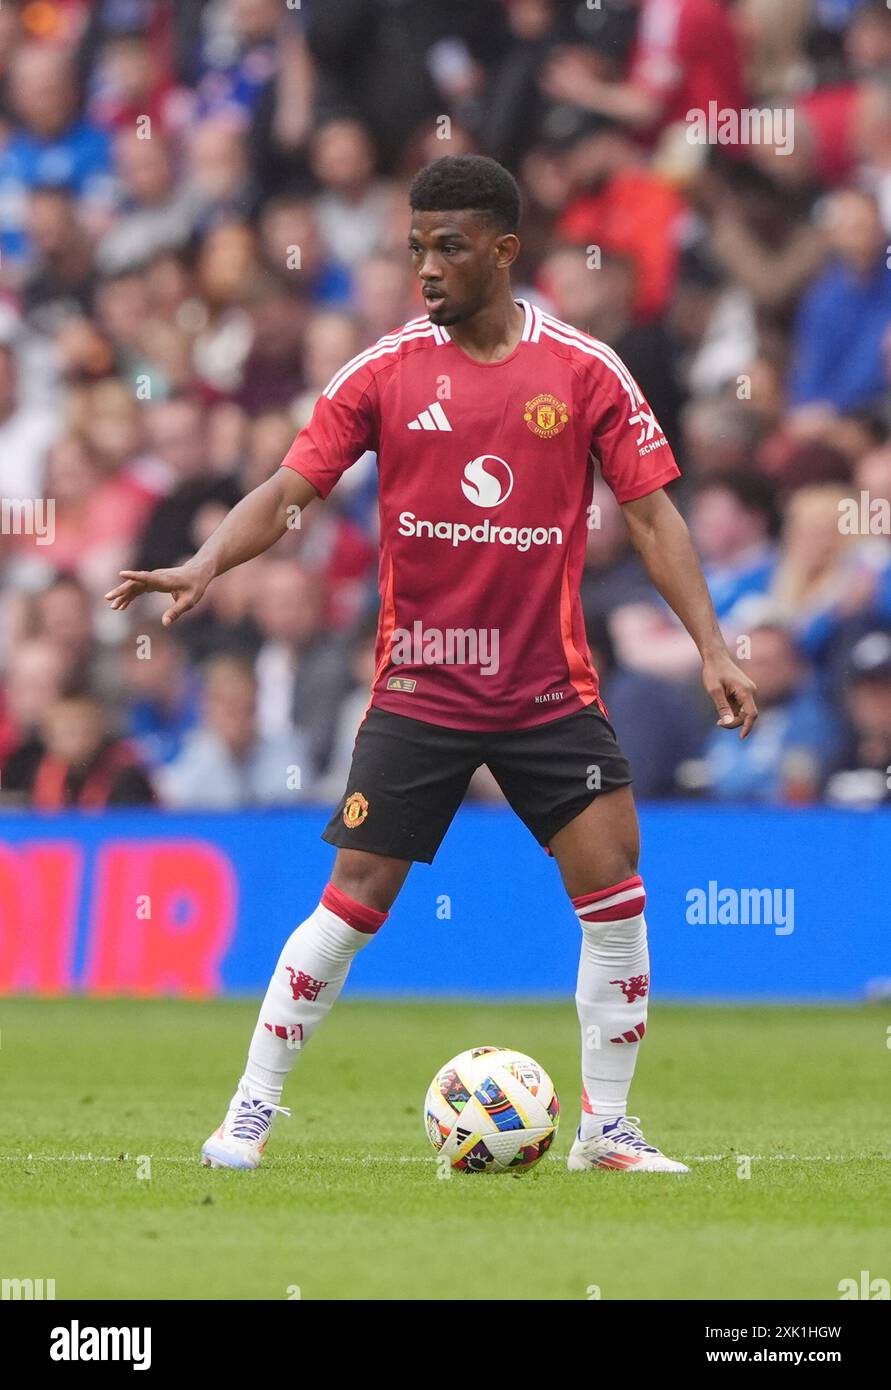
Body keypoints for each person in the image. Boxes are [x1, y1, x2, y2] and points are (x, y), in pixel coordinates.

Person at [106, 154, 757, 1175]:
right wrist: (207, 560)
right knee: (354, 895)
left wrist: (713, 646)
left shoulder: (586, 371)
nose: (426, 268)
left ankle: (609, 1131)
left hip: (547, 688)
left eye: (448, 247)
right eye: (415, 247)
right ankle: (250, 1110)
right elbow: (290, 487)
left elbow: (652, 512)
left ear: (504, 252)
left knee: (616, 889)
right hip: (423, 686)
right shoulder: (383, 371)